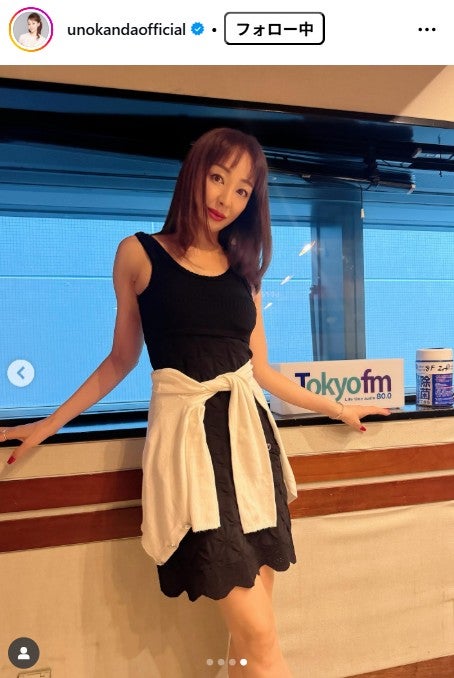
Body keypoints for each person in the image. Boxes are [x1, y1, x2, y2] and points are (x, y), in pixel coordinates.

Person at [2, 127, 390, 676]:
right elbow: (120, 360)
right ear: (195, 174)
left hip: (249, 448)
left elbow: (260, 371)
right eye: (218, 178)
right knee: (260, 638)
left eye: (242, 190)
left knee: (250, 638)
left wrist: (340, 408)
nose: (226, 198)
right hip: (191, 453)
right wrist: (45, 426)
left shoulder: (244, 271)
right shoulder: (138, 254)